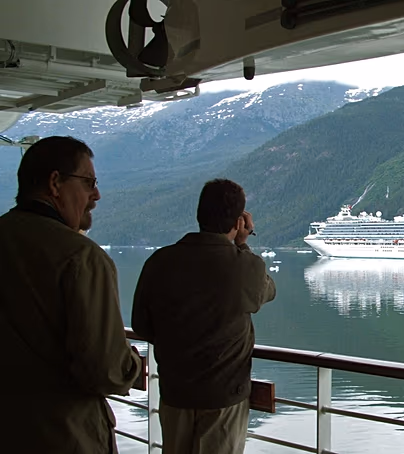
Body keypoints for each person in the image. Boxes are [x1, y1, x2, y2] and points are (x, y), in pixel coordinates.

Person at [0, 136, 143, 454]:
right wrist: (132, 362)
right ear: (55, 183)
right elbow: (106, 371)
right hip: (64, 436)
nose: (96, 194)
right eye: (89, 182)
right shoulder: (81, 258)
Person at [131, 178, 276, 454]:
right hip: (224, 400)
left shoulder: (159, 262)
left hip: (174, 395)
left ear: (199, 215)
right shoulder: (243, 266)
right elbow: (267, 291)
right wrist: (243, 245)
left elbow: (141, 325)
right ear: (238, 222)